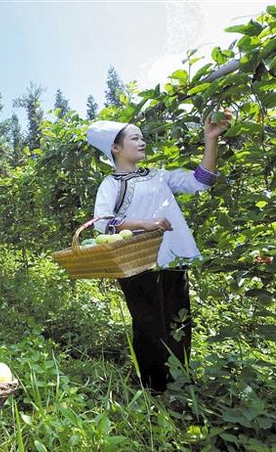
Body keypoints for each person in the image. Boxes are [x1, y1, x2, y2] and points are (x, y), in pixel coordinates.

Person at [86, 112, 230, 392]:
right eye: (134, 138)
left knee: (179, 320)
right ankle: (154, 388)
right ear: (115, 148)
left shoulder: (158, 176)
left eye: (142, 137)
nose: (142, 142)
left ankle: (181, 382)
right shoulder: (111, 183)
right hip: (136, 262)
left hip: (172, 258)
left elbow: (202, 180)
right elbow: (101, 223)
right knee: (149, 325)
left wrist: (210, 140)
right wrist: (145, 224)